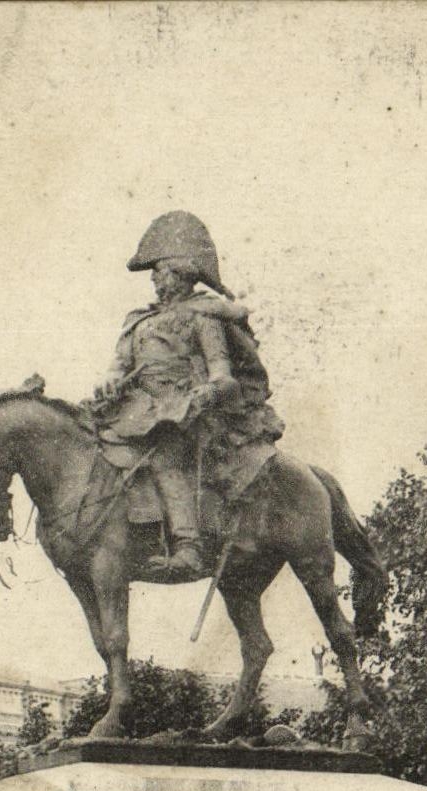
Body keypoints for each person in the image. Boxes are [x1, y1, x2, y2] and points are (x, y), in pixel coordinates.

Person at [90, 211, 284, 580]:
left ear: (180, 273)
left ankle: (188, 546)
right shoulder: (139, 321)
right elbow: (118, 367)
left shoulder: (204, 316)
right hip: (134, 410)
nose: (154, 278)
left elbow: (223, 376)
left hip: (185, 412)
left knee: (165, 455)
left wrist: (203, 395)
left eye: (159, 271)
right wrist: (108, 382)